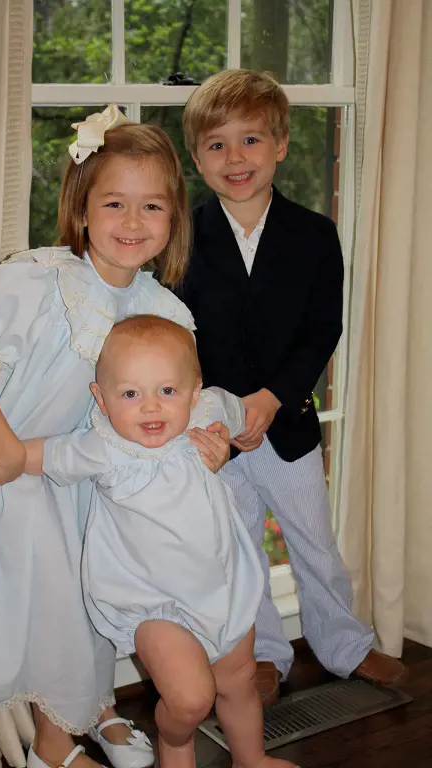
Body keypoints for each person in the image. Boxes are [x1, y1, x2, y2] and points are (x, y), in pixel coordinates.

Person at [0, 107, 229, 768]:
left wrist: (211, 438)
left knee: (90, 600)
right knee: (54, 606)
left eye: (151, 206)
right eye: (113, 203)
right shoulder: (36, 284)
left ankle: (89, 710)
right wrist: (8, 452)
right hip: (10, 465)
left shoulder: (160, 309)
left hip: (90, 473)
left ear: (173, 217)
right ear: (82, 207)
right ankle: (54, 746)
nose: (130, 222)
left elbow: (185, 395)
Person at [0, 314, 300, 768]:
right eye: (131, 394)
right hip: (153, 604)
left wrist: (232, 440)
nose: (151, 407)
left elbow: (241, 413)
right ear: (102, 400)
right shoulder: (104, 447)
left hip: (222, 587)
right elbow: (44, 454)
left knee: (239, 682)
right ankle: (176, 741)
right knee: (190, 699)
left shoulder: (205, 412)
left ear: (194, 387)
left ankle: (252, 757)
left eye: (167, 391)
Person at [176, 69, 408, 705]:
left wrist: (272, 397)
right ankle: (266, 656)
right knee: (240, 554)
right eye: (217, 145)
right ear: (197, 158)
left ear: (279, 144)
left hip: (289, 428)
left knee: (315, 544)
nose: (236, 158)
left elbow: (320, 330)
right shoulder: (181, 236)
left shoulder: (314, 234)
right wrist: (208, 409)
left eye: (251, 140)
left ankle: (346, 646)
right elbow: (174, 335)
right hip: (216, 435)